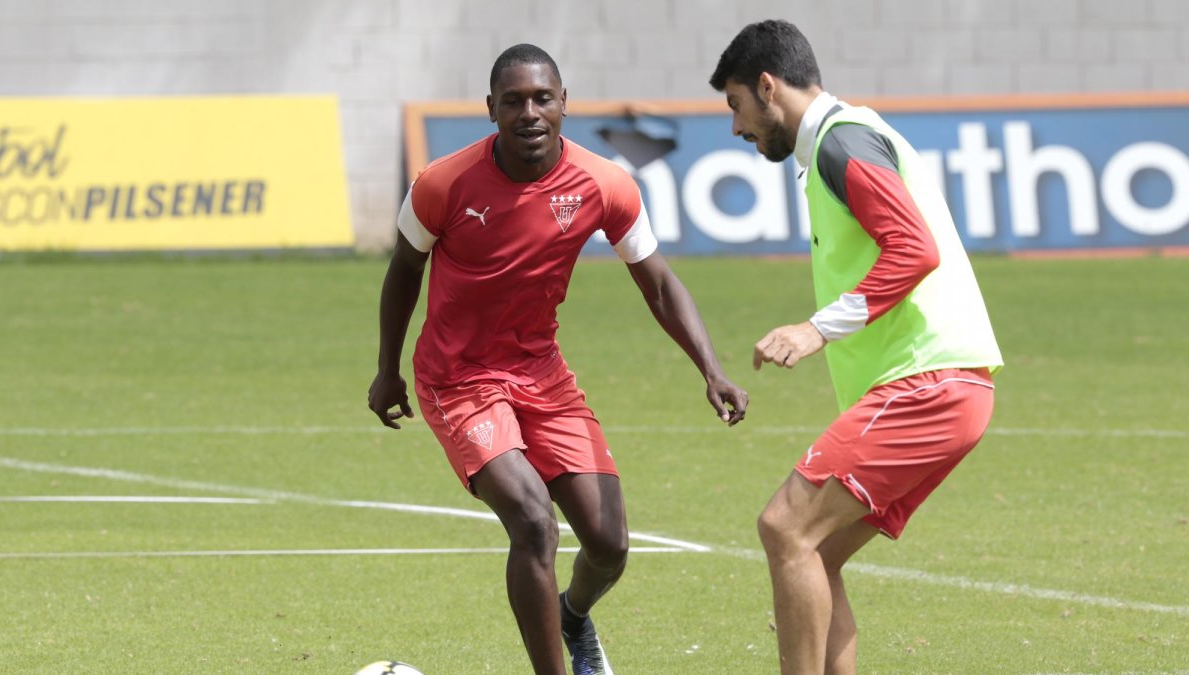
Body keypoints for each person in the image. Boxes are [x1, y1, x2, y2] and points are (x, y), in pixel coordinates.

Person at [368, 43, 748, 675]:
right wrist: (388, 369)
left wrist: (711, 369)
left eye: (542, 98)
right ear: (491, 109)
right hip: (459, 380)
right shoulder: (442, 183)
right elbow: (404, 269)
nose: (529, 113)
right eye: (513, 101)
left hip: (541, 373)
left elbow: (658, 283)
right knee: (532, 522)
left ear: (564, 103)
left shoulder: (604, 184)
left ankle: (573, 614)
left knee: (609, 543)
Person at [709, 20, 1004, 675]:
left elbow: (914, 248)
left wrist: (816, 328)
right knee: (815, 550)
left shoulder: (841, 140)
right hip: (945, 386)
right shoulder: (843, 140)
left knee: (786, 527)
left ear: (768, 87)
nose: (736, 127)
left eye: (736, 105)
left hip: (927, 383)